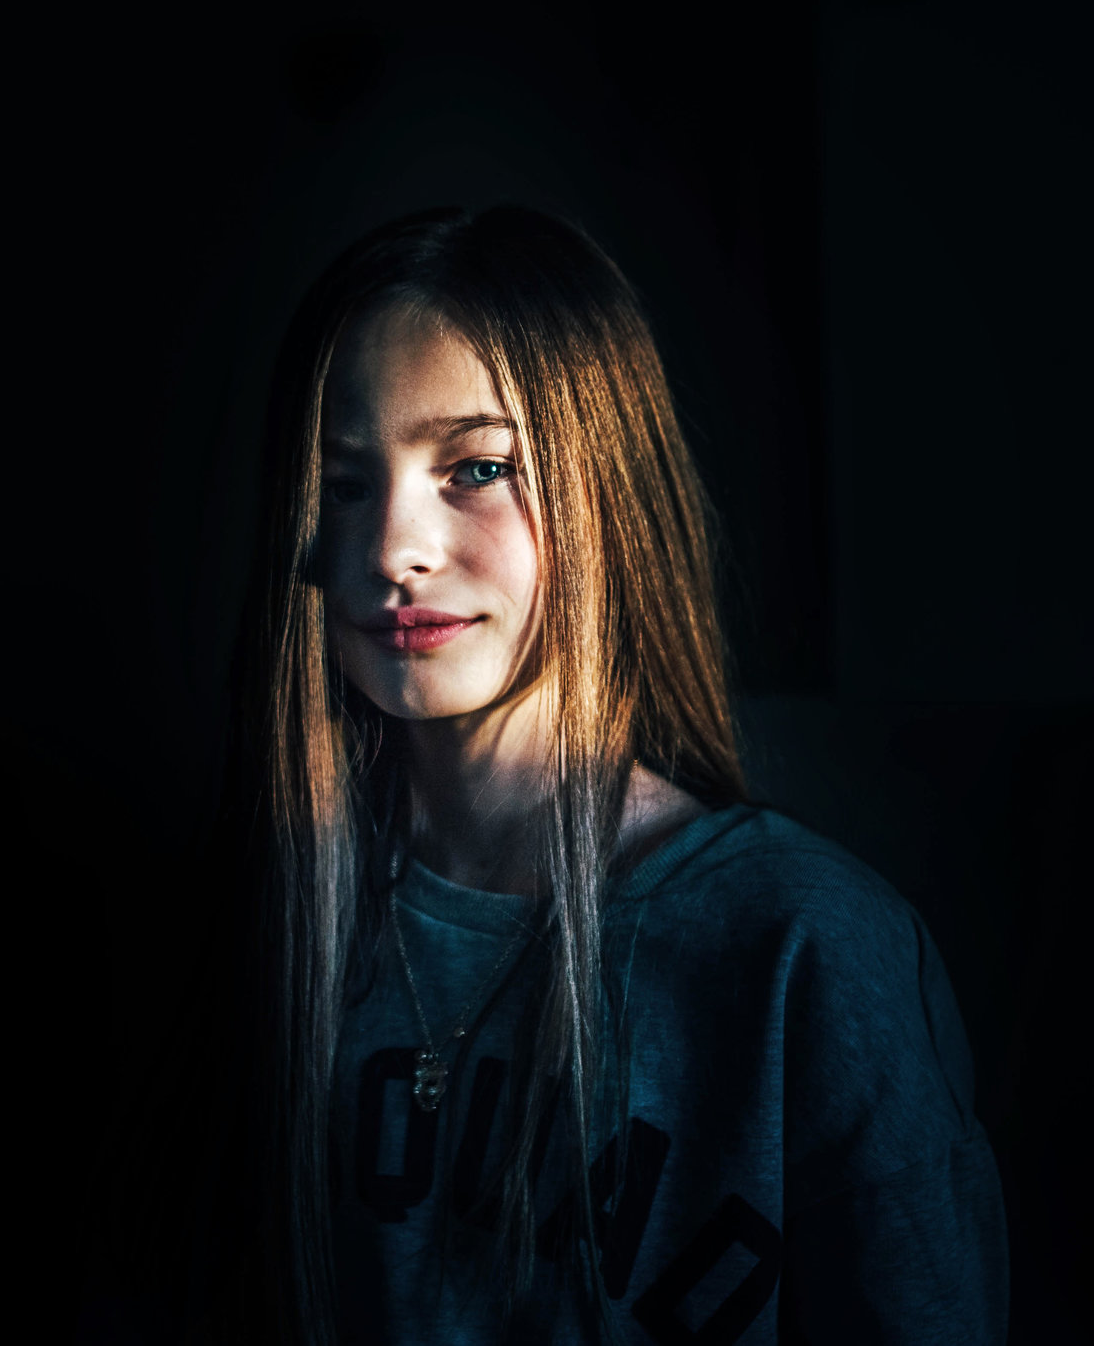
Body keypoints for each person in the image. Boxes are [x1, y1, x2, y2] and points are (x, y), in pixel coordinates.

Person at [85, 206, 1006, 1344]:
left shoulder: (805, 950)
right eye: (344, 481)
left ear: (610, 494)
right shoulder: (259, 914)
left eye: (476, 467)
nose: (391, 552)